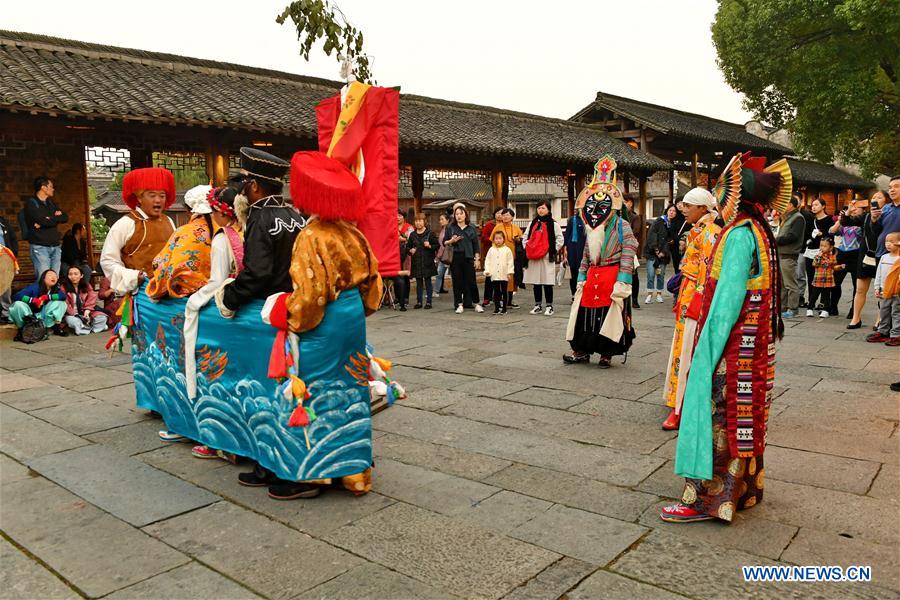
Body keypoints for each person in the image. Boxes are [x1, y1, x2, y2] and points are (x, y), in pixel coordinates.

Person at [246, 150, 383, 500]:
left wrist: (288, 316)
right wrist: (355, 312)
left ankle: (310, 475)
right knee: (350, 390)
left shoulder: (312, 236)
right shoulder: (352, 234)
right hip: (352, 319)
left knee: (312, 390)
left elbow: (309, 297)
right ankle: (353, 471)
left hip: (325, 320)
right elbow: (374, 288)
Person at [662, 152, 791, 524]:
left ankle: (706, 499)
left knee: (718, 416)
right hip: (755, 347)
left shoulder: (737, 236)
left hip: (732, 348)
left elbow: (727, 302)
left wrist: (706, 353)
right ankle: (743, 491)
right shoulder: (758, 232)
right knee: (745, 417)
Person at [564, 155, 638, 369]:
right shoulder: (592, 227)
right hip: (593, 276)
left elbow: (629, 248)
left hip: (612, 275)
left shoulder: (621, 225)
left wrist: (623, 280)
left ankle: (607, 353)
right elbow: (587, 253)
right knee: (583, 314)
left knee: (609, 316)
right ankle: (581, 351)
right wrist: (581, 277)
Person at [661, 187, 722, 431]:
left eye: (688, 205)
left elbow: (708, 275)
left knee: (689, 352)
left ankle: (685, 406)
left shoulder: (711, 233)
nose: (682, 209)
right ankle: (678, 400)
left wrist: (697, 302)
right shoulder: (699, 230)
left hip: (697, 301)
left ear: (702, 208)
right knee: (682, 350)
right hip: (687, 296)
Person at [218, 148, 304, 316]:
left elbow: (257, 274)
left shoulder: (259, 218)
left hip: (271, 309)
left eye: (244, 187)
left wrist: (229, 297)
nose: (241, 193)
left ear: (255, 186)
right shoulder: (295, 215)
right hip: (297, 302)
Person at [99, 167, 176, 296]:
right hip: (142, 293)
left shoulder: (168, 220)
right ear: (139, 198)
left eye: (162, 196)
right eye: (152, 195)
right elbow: (108, 260)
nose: (158, 200)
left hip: (170, 290)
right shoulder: (126, 223)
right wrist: (133, 277)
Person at [145, 185, 214, 300]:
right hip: (220, 290)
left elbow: (160, 265)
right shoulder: (229, 229)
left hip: (188, 294)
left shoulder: (183, 231)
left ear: (188, 211)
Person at [848, 191, 889, 328]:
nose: (875, 199)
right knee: (860, 289)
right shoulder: (865, 216)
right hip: (866, 254)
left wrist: (876, 219)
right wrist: (849, 212)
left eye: (879, 197)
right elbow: (847, 222)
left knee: (882, 291)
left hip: (883, 255)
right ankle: (856, 318)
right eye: (874, 197)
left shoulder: (889, 215)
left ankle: (879, 320)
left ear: (886, 201)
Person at [523, 200, 563, 316]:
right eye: (539, 208)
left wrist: (551, 250)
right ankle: (538, 305)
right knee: (536, 281)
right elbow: (525, 237)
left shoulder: (553, 224)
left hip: (546, 257)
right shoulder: (532, 223)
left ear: (548, 210)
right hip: (533, 256)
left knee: (547, 281)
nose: (540, 210)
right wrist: (528, 248)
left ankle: (549, 306)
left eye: (543, 208)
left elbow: (560, 239)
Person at [24, 176, 68, 280]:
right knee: (44, 280)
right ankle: (43, 297)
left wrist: (49, 219)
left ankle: (53, 297)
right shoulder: (31, 203)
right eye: (51, 186)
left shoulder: (51, 203)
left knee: (54, 279)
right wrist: (54, 218)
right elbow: (42, 220)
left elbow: (65, 217)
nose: (53, 189)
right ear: (43, 187)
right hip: (40, 247)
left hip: (55, 246)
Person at [444, 204, 482, 314]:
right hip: (456, 257)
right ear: (454, 216)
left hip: (469, 257)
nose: (459, 216)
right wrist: (452, 241)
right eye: (457, 214)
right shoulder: (451, 227)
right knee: (457, 282)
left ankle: (476, 303)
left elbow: (476, 245)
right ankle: (459, 304)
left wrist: (477, 259)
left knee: (472, 281)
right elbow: (444, 242)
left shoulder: (472, 227)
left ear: (466, 215)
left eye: (461, 214)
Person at [10, 269, 68, 338]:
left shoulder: (56, 289)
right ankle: (23, 329)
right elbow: (17, 296)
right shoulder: (35, 287)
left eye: (55, 276)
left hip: (44, 317)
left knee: (61, 303)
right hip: (30, 315)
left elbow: (63, 296)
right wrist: (32, 300)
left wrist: (47, 297)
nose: (53, 277)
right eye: (50, 275)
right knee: (18, 304)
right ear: (43, 278)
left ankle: (55, 327)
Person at [828, 202, 863, 317]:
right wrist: (842, 217)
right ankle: (833, 306)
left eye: (857, 208)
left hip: (856, 255)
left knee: (856, 285)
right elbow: (831, 231)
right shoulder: (844, 222)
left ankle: (854, 309)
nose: (854, 209)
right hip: (842, 254)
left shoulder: (862, 223)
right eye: (851, 207)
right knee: (836, 282)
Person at [866, 231, 900, 346]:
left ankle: (896, 335)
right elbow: (879, 274)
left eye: (891, 241)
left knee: (896, 313)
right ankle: (883, 332)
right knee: (883, 311)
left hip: (896, 291)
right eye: (886, 241)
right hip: (884, 290)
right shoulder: (884, 257)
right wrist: (877, 287)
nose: (888, 244)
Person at [775, 196, 806, 318]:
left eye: (785, 203)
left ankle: (793, 308)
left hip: (789, 255)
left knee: (791, 284)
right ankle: (783, 307)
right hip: (781, 254)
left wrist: (777, 240)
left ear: (791, 205)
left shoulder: (798, 218)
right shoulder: (787, 218)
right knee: (782, 284)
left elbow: (793, 236)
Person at [801, 198, 833, 308]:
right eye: (812, 205)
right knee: (810, 277)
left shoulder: (829, 219)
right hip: (811, 250)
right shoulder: (811, 219)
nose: (813, 207)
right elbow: (806, 234)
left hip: (823, 252)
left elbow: (831, 236)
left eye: (816, 205)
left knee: (823, 277)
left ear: (823, 206)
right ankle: (811, 301)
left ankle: (824, 303)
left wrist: (822, 234)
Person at [60, 265, 108, 335]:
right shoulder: (63, 287)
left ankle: (87, 328)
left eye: (76, 274)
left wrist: (87, 310)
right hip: (72, 314)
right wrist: (76, 315)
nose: (73, 276)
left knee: (102, 318)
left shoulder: (86, 285)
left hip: (86, 312)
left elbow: (92, 297)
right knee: (73, 321)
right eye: (70, 274)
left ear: (81, 275)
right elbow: (65, 303)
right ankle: (93, 327)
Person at [492, 208, 524, 308]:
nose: (505, 217)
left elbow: (522, 239)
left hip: (513, 257)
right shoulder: (498, 227)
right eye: (503, 215)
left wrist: (518, 239)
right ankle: (500, 300)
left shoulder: (515, 227)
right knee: (501, 278)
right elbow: (493, 240)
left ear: (512, 217)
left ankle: (509, 301)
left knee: (512, 280)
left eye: (507, 215)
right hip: (500, 257)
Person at [407, 213, 438, 309]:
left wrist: (429, 246)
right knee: (418, 282)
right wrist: (410, 250)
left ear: (424, 222)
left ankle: (429, 302)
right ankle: (419, 301)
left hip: (427, 262)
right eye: (416, 221)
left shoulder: (430, 233)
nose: (418, 223)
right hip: (416, 262)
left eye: (420, 220)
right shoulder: (412, 235)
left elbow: (437, 246)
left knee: (428, 281)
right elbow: (408, 247)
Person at [643, 205, 672, 303]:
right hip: (652, 253)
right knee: (650, 274)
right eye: (670, 210)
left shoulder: (672, 225)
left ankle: (659, 294)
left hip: (664, 254)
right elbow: (652, 234)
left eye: (674, 211)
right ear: (667, 211)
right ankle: (649, 294)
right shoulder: (659, 221)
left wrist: (663, 252)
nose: (672, 212)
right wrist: (656, 249)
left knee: (661, 275)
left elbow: (670, 241)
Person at [807, 237, 840, 318]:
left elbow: (833, 266)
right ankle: (810, 308)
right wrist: (818, 257)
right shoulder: (818, 255)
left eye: (825, 246)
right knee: (814, 295)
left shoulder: (832, 256)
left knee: (826, 295)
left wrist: (839, 267)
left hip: (828, 279)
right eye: (821, 245)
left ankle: (825, 310)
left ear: (831, 247)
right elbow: (814, 264)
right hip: (818, 278)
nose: (822, 247)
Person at [483, 229, 515, 314]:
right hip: (494, 274)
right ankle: (497, 308)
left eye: (500, 238)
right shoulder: (491, 250)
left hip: (504, 274)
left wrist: (509, 272)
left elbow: (510, 262)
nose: (498, 240)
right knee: (496, 292)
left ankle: (504, 308)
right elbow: (488, 261)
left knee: (504, 291)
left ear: (503, 239)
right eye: (496, 238)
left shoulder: (507, 250)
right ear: (493, 240)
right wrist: (487, 270)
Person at [623, 194, 644, 310]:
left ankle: (634, 299)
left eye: (625, 202)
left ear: (630, 202)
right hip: (618, 248)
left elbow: (635, 231)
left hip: (630, 248)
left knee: (634, 274)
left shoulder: (634, 217)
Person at [480, 207, 503, 306]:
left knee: (501, 277)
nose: (499, 215)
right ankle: (487, 298)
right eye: (497, 213)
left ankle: (499, 297)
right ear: (494, 214)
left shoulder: (505, 225)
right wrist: (494, 240)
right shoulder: (489, 225)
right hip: (491, 253)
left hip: (502, 254)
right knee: (489, 276)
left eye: (502, 213)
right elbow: (483, 238)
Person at [563, 206, 586, 300]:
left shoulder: (588, 220)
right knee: (573, 273)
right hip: (573, 249)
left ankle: (583, 293)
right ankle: (574, 294)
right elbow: (567, 235)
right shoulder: (572, 220)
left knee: (584, 272)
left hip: (584, 249)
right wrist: (565, 251)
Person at [393, 210, 414, 310]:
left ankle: (405, 297)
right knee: (396, 274)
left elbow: (412, 238)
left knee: (405, 276)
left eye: (400, 215)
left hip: (405, 254)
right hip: (394, 254)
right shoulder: (392, 226)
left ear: (404, 217)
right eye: (396, 215)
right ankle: (397, 297)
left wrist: (401, 239)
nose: (397, 217)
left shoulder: (409, 227)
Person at [0, 215, 19, 322]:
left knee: (5, 284)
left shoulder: (4, 222)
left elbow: (13, 239)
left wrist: (13, 254)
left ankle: (5, 312)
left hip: (4, 258)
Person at [669, 199, 688, 272]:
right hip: (676, 246)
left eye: (681, 203)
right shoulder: (674, 216)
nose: (679, 205)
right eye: (677, 203)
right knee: (677, 267)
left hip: (686, 245)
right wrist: (679, 240)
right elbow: (672, 231)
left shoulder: (688, 215)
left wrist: (683, 240)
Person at [435, 213, 450, 295]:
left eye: (442, 219)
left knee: (439, 273)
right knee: (441, 273)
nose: (440, 221)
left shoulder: (449, 229)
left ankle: (435, 291)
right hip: (441, 254)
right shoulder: (443, 229)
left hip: (446, 255)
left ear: (447, 220)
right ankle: (440, 289)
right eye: (440, 219)